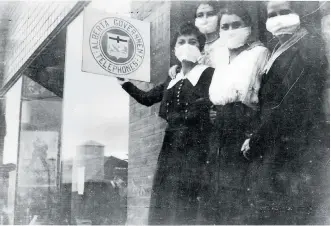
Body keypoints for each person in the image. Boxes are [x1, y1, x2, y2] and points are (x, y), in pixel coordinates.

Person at [241, 1, 329, 224]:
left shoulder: (308, 46)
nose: (278, 18)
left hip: (295, 144)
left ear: (297, 14)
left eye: (285, 12)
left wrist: (256, 138)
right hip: (276, 142)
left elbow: (290, 102)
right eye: (273, 14)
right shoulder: (276, 50)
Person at [117, 22, 214, 225]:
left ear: (201, 48)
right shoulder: (172, 78)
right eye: (181, 42)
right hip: (171, 144)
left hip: (197, 142)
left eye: (192, 42)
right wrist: (124, 82)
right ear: (174, 49)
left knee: (190, 197)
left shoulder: (209, 74)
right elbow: (146, 98)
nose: (186, 46)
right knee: (167, 196)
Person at [204, 3, 269, 224]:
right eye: (225, 26)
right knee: (218, 193)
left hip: (244, 128)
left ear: (248, 26)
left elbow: (266, 97)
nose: (230, 30)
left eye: (236, 25)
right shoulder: (219, 59)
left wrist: (255, 133)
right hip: (218, 132)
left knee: (241, 196)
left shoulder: (259, 53)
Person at [169, 1, 221, 78]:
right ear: (195, 19)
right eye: (200, 15)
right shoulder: (193, 44)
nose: (205, 19)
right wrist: (178, 69)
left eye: (210, 14)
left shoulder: (224, 43)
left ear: (218, 16)